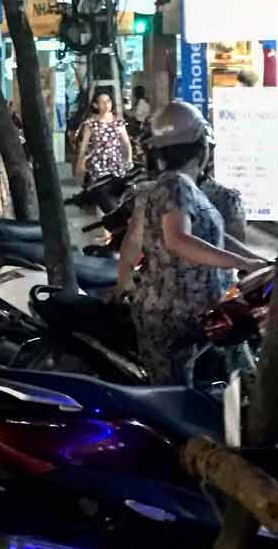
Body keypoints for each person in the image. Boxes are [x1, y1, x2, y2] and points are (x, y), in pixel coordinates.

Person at [115, 101, 266, 385]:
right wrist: (242, 263)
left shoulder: (168, 188)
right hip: (176, 318)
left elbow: (210, 238)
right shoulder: (176, 186)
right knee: (174, 399)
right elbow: (178, 239)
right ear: (202, 147)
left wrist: (256, 261)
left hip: (198, 315)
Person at [73, 90, 133, 188]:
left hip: (116, 163)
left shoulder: (118, 121)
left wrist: (129, 159)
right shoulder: (91, 123)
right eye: (103, 102)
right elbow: (83, 147)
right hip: (97, 164)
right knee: (101, 190)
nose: (107, 105)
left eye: (108, 101)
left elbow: (127, 143)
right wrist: (80, 165)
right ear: (96, 105)